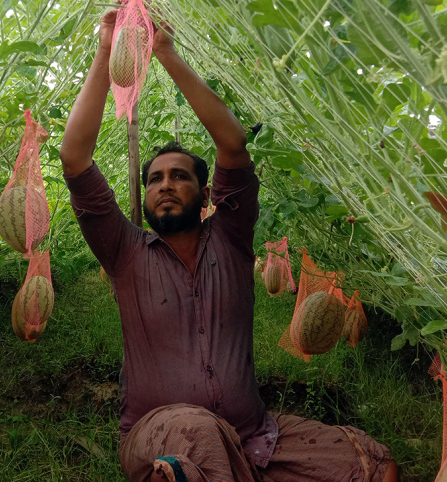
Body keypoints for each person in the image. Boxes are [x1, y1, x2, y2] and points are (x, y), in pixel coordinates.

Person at [59, 9, 400, 482]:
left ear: (205, 195)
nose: (164, 185)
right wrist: (104, 50)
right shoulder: (123, 251)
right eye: (155, 179)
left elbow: (234, 146)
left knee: (372, 465)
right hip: (160, 433)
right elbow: (74, 157)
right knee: (198, 439)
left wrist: (166, 53)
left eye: (180, 176)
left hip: (253, 433)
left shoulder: (233, 239)